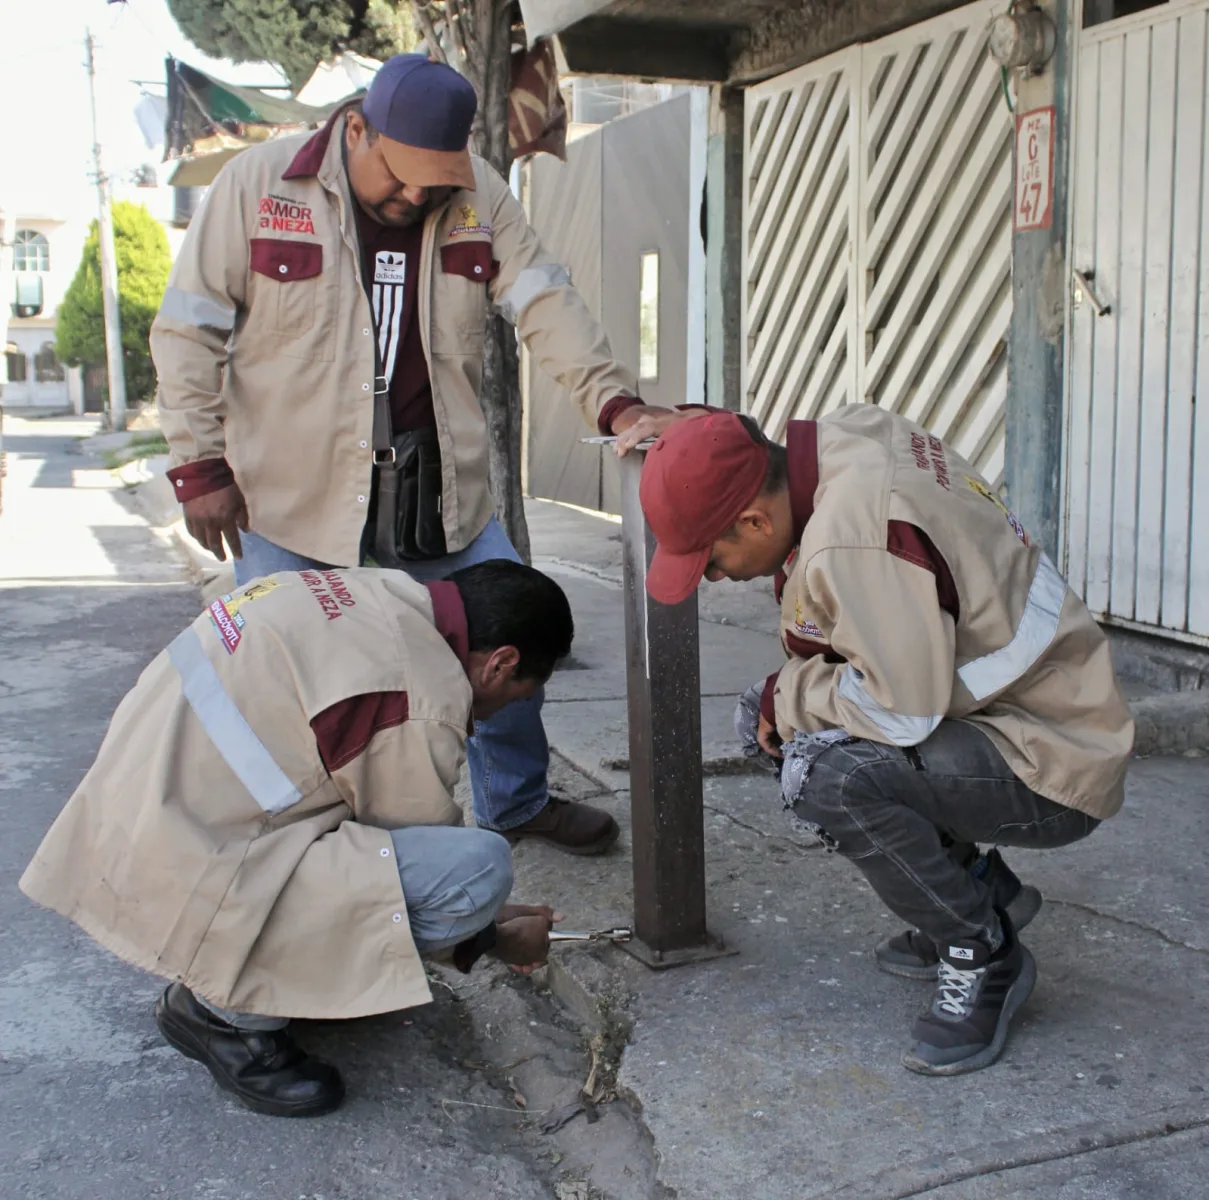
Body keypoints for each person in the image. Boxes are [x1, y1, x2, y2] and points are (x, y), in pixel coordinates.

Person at [150, 53, 681, 857]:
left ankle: (516, 804)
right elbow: (190, 325)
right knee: (291, 690)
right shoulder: (259, 186)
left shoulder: (478, 194)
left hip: (442, 501)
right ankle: (305, 851)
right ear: (355, 128)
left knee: (517, 651)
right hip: (296, 504)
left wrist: (615, 401)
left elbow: (543, 298)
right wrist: (199, 465)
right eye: (398, 181)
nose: (414, 198)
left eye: (434, 185)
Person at [636, 407, 1134, 1076]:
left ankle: (980, 948)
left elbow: (904, 712)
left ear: (755, 521)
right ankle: (980, 887)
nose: (715, 578)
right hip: (1045, 711)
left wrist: (787, 697)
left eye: (713, 559)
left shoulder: (852, 539)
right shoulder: (854, 435)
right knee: (781, 721)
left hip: (1053, 764)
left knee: (823, 775)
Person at [20, 559, 576, 1117]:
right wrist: (495, 939)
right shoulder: (422, 692)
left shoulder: (361, 590)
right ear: (501, 663)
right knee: (481, 867)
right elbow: (418, 851)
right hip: (198, 874)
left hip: (125, 831)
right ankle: (226, 1017)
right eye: (519, 694)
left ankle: (268, 978)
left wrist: (494, 918)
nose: (504, 712)